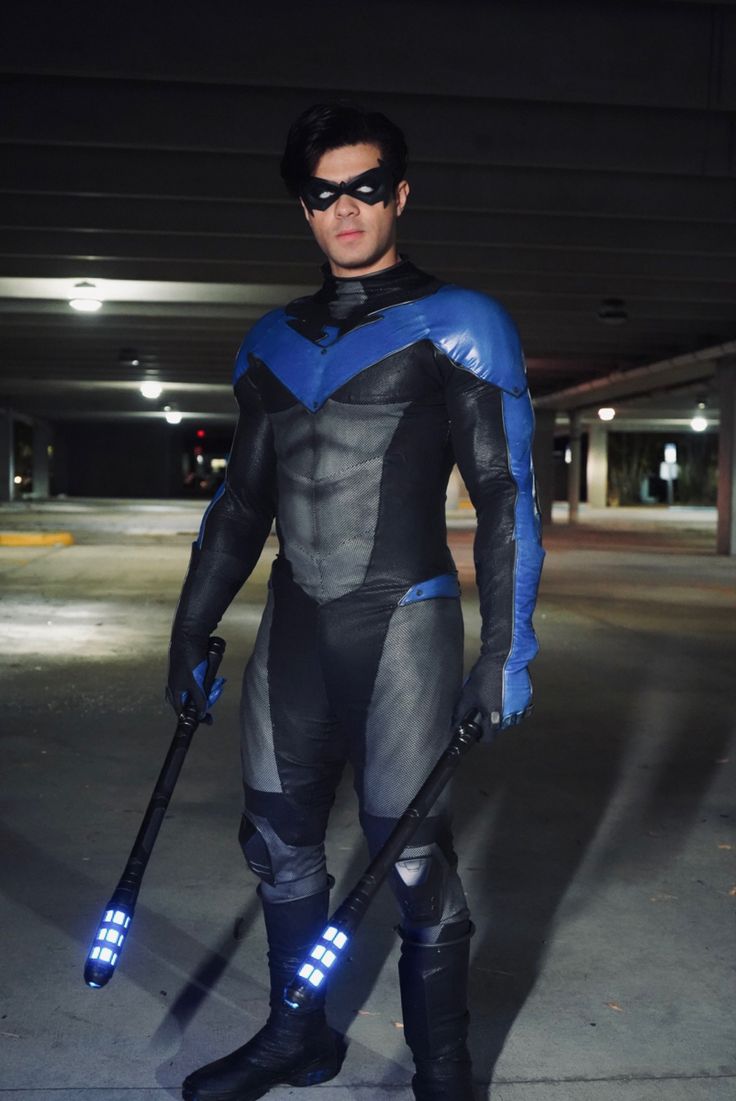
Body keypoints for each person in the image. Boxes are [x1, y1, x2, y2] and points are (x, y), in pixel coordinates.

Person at [167, 102, 544, 1101]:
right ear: (305, 208)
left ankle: (445, 1074)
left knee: (410, 855)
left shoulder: (460, 321)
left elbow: (504, 493)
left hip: (404, 621)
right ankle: (300, 1037)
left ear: (400, 194)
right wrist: (188, 624)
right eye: (324, 193)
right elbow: (242, 501)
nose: (346, 210)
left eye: (365, 188)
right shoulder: (267, 342)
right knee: (276, 839)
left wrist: (506, 651)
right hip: (295, 621)